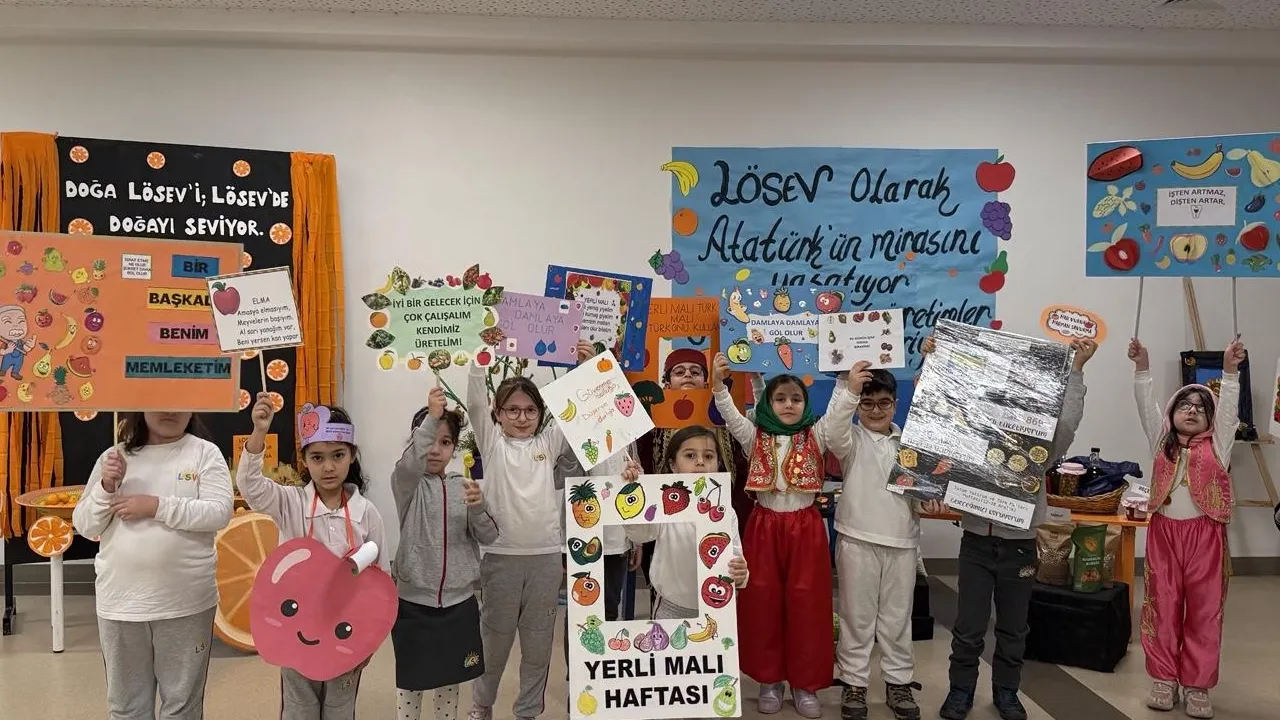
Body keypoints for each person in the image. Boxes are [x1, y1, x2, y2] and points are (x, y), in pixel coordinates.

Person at [933, 336, 1096, 720]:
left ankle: (1006, 691)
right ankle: (960, 691)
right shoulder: (973, 436)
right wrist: (937, 359)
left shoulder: (1041, 445)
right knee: (968, 627)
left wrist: (1076, 371)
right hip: (976, 542)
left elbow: (1067, 422)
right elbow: (939, 410)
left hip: (1020, 545)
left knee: (1013, 628)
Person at [465, 363, 626, 720]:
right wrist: (478, 362)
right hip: (501, 559)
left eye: (530, 410)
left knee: (538, 645)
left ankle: (527, 711)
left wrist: (586, 367)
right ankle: (482, 704)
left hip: (546, 560)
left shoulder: (548, 444)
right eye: (512, 410)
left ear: (540, 414)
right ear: (498, 413)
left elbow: (576, 407)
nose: (522, 418)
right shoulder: (492, 443)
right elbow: (475, 403)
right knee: (494, 641)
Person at [711, 352, 859, 718]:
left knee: (807, 604)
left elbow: (837, 414)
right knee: (763, 603)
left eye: (795, 398)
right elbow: (731, 416)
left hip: (805, 528)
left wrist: (848, 385)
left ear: (806, 404)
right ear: (768, 404)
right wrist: (718, 385)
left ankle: (805, 684)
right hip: (763, 528)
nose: (788, 404)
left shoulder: (816, 436)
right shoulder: (754, 436)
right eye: (780, 398)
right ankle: (770, 680)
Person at [72, 412, 233, 720]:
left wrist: (156, 506)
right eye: (160, 401)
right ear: (141, 406)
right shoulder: (114, 457)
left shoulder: (204, 453)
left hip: (186, 603)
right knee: (127, 707)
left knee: (182, 706)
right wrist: (106, 486)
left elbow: (219, 512)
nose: (170, 411)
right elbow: (85, 524)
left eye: (179, 402)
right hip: (121, 603)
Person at [238, 393, 388, 720]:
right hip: (297, 630)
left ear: (352, 456)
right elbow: (249, 484)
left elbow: (381, 583)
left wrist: (370, 642)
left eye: (338, 455)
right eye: (317, 457)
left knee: (339, 709)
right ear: (304, 459)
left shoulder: (366, 514)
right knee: (299, 709)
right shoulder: (290, 503)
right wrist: (260, 431)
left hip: (346, 631)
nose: (328, 467)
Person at [1130, 337, 1243, 719]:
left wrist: (1230, 371)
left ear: (1211, 419)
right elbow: (1146, 405)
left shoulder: (1220, 445)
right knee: (1161, 606)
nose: (1192, 410)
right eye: (1184, 404)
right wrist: (1142, 366)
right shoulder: (1160, 441)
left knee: (1204, 611)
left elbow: (1229, 410)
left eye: (1201, 407)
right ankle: (1164, 678)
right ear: (1172, 413)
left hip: (1205, 537)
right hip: (1164, 534)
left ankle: (1197, 685)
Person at [833, 363, 944, 720]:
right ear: (858, 406)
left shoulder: (911, 444)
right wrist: (850, 388)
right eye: (867, 403)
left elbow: (920, 495)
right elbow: (832, 430)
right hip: (856, 539)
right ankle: (854, 682)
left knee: (897, 619)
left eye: (884, 402)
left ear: (895, 404)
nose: (876, 410)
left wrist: (928, 503)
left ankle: (899, 682)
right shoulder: (849, 439)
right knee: (856, 617)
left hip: (902, 542)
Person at [391, 385, 500, 720]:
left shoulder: (463, 487)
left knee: (450, 680)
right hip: (413, 602)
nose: (436, 450)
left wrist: (478, 507)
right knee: (411, 680)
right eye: (429, 440)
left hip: (459, 603)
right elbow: (410, 463)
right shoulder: (407, 483)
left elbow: (489, 535)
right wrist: (432, 417)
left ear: (454, 448)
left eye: (446, 442)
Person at [633, 347, 753, 613]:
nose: (688, 375)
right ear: (667, 383)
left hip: (715, 517)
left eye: (695, 372)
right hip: (666, 523)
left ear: (705, 381)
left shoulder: (723, 424)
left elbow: (740, 471)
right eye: (679, 372)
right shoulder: (653, 426)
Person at [623, 425, 750, 621]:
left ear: (718, 464)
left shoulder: (725, 511)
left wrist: (742, 574)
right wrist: (635, 491)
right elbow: (640, 533)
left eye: (708, 456)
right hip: (670, 609)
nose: (700, 462)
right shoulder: (664, 506)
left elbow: (735, 557)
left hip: (717, 609)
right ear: (673, 465)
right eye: (690, 456)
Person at [0, 304, 37, 380]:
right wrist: (8, 350)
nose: (16, 326)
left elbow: (25, 349)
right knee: (5, 364)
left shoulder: (21, 342)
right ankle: (3, 370)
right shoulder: (6, 343)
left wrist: (30, 346)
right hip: (8, 357)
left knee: (18, 365)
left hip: (19, 358)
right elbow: (2, 352)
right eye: (8, 322)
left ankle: (15, 372)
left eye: (21, 321)